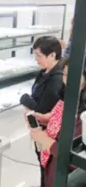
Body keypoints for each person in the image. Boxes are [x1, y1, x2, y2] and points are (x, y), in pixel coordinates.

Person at [28, 58, 86, 187]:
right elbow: (60, 115)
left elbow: (77, 159)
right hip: (50, 164)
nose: (68, 80)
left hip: (64, 175)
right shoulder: (70, 96)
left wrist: (46, 141)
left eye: (75, 75)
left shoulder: (84, 115)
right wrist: (46, 118)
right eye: (65, 74)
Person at [20, 36, 63, 187]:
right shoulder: (45, 71)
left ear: (52, 55)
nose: (36, 59)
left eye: (39, 55)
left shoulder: (56, 79)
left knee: (47, 167)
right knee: (43, 166)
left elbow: (41, 108)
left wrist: (24, 99)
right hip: (39, 127)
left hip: (48, 134)